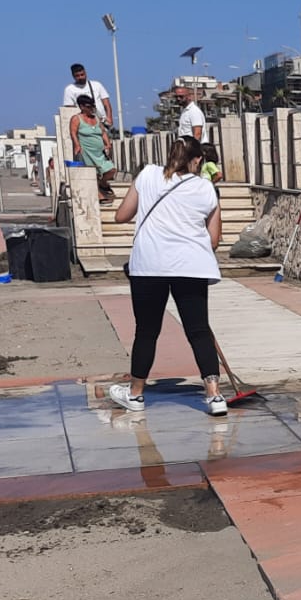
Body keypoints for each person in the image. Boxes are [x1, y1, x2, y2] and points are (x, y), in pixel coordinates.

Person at [108, 135, 228, 417]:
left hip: (149, 265)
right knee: (198, 330)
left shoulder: (148, 174)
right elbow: (213, 239)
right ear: (197, 160)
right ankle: (214, 395)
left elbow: (121, 216)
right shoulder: (206, 188)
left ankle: (136, 394)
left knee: (147, 331)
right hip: (191, 266)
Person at [74, 95, 116, 201]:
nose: (91, 109)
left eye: (92, 106)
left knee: (111, 170)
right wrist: (77, 145)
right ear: (82, 107)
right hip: (87, 151)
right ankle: (99, 195)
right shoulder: (76, 119)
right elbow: (73, 133)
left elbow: (102, 132)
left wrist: (107, 143)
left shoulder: (96, 118)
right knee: (92, 173)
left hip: (99, 151)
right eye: (88, 106)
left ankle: (102, 183)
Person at [61, 64, 113, 129]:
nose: (80, 77)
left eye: (82, 74)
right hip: (84, 124)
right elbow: (69, 110)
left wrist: (109, 118)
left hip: (101, 121)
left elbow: (106, 103)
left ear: (85, 73)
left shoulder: (97, 85)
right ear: (73, 76)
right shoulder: (69, 89)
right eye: (77, 76)